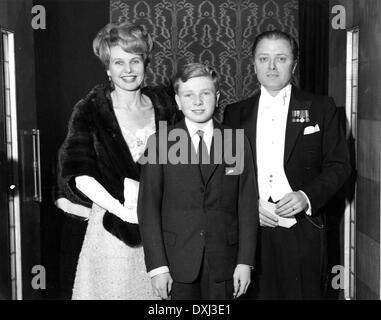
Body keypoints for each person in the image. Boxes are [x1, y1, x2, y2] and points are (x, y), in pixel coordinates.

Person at [223, 30, 351, 299]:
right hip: (252, 232)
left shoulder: (321, 107)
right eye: (263, 58)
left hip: (303, 230)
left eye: (280, 58)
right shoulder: (235, 113)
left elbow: (339, 166)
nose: (271, 66)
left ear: (294, 64)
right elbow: (229, 173)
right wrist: (248, 206)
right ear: (254, 64)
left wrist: (306, 197)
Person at [56, 22, 179, 299]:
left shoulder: (166, 104)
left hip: (163, 230)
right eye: (119, 62)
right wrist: (122, 211)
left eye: (135, 60)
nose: (128, 70)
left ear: (145, 63)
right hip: (113, 232)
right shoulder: (90, 109)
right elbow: (79, 173)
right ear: (107, 68)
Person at [137, 63, 258, 300]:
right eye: (188, 95)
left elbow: (246, 205)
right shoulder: (160, 142)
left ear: (218, 96)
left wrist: (245, 261)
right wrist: (158, 267)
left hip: (225, 262)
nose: (198, 101)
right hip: (176, 262)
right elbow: (148, 208)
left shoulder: (236, 142)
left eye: (206, 93)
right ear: (178, 101)